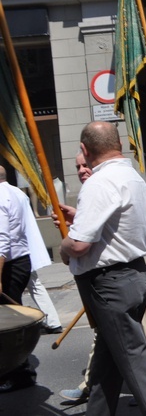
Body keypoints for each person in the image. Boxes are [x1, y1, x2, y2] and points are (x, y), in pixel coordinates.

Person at [59, 122, 146, 414]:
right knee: (106, 368)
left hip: (110, 283)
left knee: (135, 362)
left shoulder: (99, 182)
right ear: (117, 143)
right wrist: (81, 219)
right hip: (132, 275)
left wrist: (64, 246)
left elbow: (80, 244)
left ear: (85, 149)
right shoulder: (131, 176)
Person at [0, 166, 36, 394]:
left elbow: (1, 240)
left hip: (10, 265)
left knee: (9, 325)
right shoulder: (16, 192)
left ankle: (19, 372)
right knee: (12, 320)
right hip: (20, 261)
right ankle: (17, 370)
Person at [23, 185, 63, 334]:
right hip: (23, 250)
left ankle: (20, 327)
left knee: (16, 288)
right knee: (34, 285)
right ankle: (52, 321)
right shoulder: (19, 195)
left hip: (14, 254)